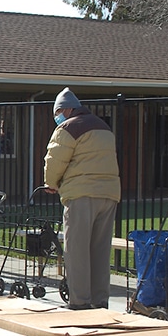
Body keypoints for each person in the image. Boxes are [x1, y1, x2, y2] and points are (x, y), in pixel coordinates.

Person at [44, 87, 120, 310]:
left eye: (58, 112)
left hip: (81, 194)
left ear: (66, 110)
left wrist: (51, 183)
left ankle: (79, 300)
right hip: (109, 193)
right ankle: (100, 299)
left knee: (76, 250)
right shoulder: (104, 127)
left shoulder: (68, 128)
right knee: (100, 250)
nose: (57, 117)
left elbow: (54, 159)